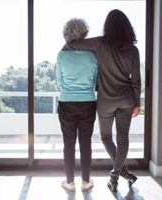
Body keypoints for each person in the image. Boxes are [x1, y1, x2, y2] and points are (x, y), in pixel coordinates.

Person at [63, 9, 141, 192]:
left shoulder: (99, 43)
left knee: (106, 137)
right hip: (127, 99)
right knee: (123, 139)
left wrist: (64, 49)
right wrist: (138, 103)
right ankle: (119, 174)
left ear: (108, 27)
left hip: (106, 100)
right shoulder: (134, 50)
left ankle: (118, 174)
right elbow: (136, 80)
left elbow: (72, 45)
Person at [56, 18, 98, 192]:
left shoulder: (62, 55)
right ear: (85, 34)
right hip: (88, 102)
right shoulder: (92, 55)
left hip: (67, 103)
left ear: (67, 34)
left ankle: (70, 182)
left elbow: (60, 82)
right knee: (85, 143)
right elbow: (96, 81)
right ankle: (86, 181)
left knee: (69, 143)